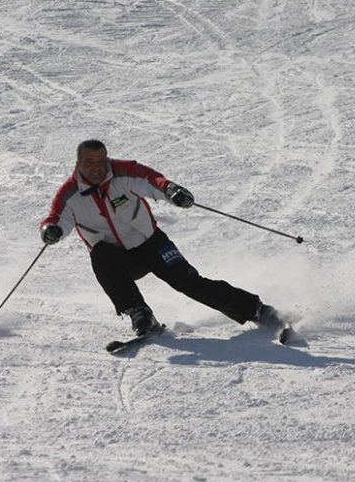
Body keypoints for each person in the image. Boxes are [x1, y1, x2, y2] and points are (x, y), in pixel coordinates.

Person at [39, 139, 285, 337]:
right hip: (118, 260)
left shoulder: (123, 172)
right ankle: (139, 312)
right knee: (100, 255)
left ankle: (257, 310)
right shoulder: (69, 194)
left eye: (102, 161)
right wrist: (51, 230)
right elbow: (56, 218)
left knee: (187, 282)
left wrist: (172, 191)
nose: (97, 167)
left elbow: (151, 180)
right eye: (90, 162)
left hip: (150, 244)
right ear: (78, 163)